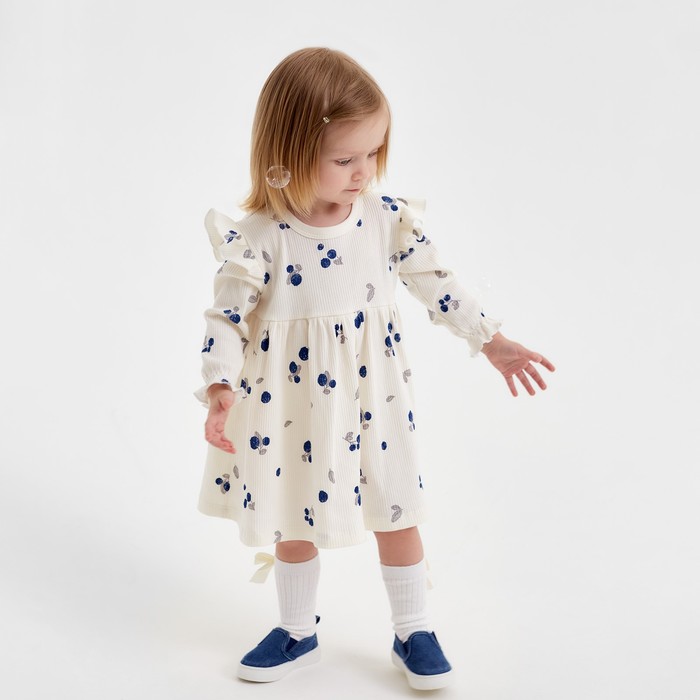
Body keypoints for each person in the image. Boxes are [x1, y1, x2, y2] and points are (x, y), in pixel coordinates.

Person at [195, 47, 554, 690]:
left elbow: (436, 283)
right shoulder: (260, 237)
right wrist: (221, 387)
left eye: (374, 153)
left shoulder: (385, 220)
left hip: (374, 400)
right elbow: (227, 318)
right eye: (345, 159)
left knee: (397, 509)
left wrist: (490, 339)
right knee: (293, 515)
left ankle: (414, 628)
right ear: (287, 153)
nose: (364, 172)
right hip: (290, 406)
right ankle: (297, 630)